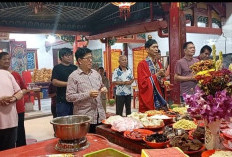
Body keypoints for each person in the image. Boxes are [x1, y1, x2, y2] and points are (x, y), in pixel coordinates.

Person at [66, 47, 107, 133]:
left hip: (100, 115)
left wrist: (103, 88)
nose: (91, 60)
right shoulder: (73, 77)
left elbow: (101, 86)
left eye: (91, 58)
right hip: (84, 118)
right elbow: (69, 97)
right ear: (80, 61)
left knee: (100, 142)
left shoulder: (96, 74)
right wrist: (88, 94)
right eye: (88, 58)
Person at [0, 52, 29, 147]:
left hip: (12, 117)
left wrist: (14, 98)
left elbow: (20, 91)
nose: (7, 61)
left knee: (11, 146)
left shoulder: (9, 74)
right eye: (4, 59)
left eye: (8, 59)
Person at [137, 36, 168, 113]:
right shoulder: (142, 64)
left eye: (157, 47)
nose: (156, 49)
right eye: (154, 47)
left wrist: (163, 80)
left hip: (159, 95)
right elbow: (142, 84)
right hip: (149, 97)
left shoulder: (159, 64)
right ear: (147, 50)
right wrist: (157, 75)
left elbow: (162, 81)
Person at [0, 69, 23, 151]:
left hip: (10, 122)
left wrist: (13, 98)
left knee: (10, 151)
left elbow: (19, 92)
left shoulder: (7, 74)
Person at [51, 48, 77, 117]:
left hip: (74, 100)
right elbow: (54, 82)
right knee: (63, 122)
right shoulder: (57, 68)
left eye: (70, 55)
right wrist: (69, 84)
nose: (69, 57)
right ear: (62, 57)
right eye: (67, 55)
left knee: (74, 121)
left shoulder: (75, 68)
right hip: (62, 100)